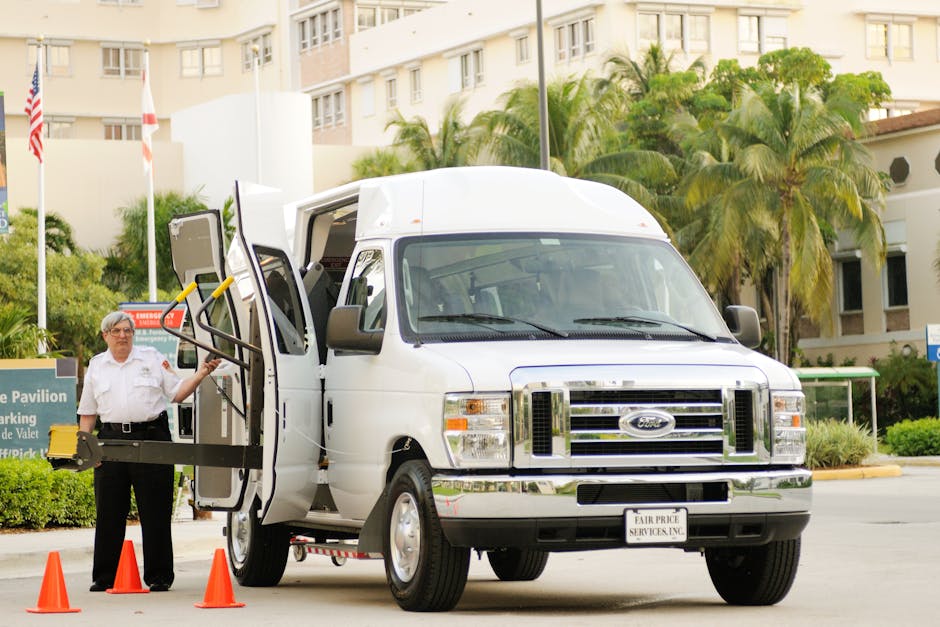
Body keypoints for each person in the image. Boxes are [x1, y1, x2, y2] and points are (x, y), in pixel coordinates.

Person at [78, 311, 221, 592]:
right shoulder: (97, 366)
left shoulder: (152, 358)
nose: (123, 336)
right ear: (105, 336)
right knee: (109, 512)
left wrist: (202, 374)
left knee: (155, 511)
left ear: (133, 334)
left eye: (128, 331)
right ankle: (104, 577)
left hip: (153, 438)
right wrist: (87, 449)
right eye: (116, 331)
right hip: (111, 441)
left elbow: (178, 393)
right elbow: (87, 412)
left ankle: (159, 577)